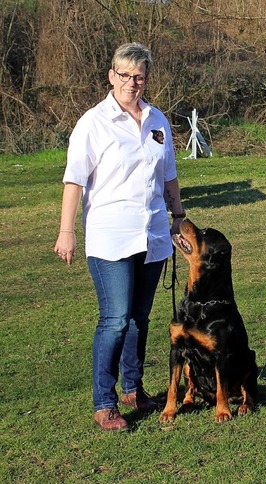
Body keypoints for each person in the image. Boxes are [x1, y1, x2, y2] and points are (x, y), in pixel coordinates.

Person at [54, 42, 186, 431]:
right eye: (125, 75)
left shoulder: (157, 120)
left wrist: (178, 216)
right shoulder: (93, 123)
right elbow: (74, 180)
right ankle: (105, 402)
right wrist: (67, 232)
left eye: (139, 76)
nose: (132, 83)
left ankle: (133, 388)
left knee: (139, 319)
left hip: (153, 235)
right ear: (112, 76)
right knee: (114, 319)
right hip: (110, 237)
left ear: (147, 78)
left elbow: (169, 176)